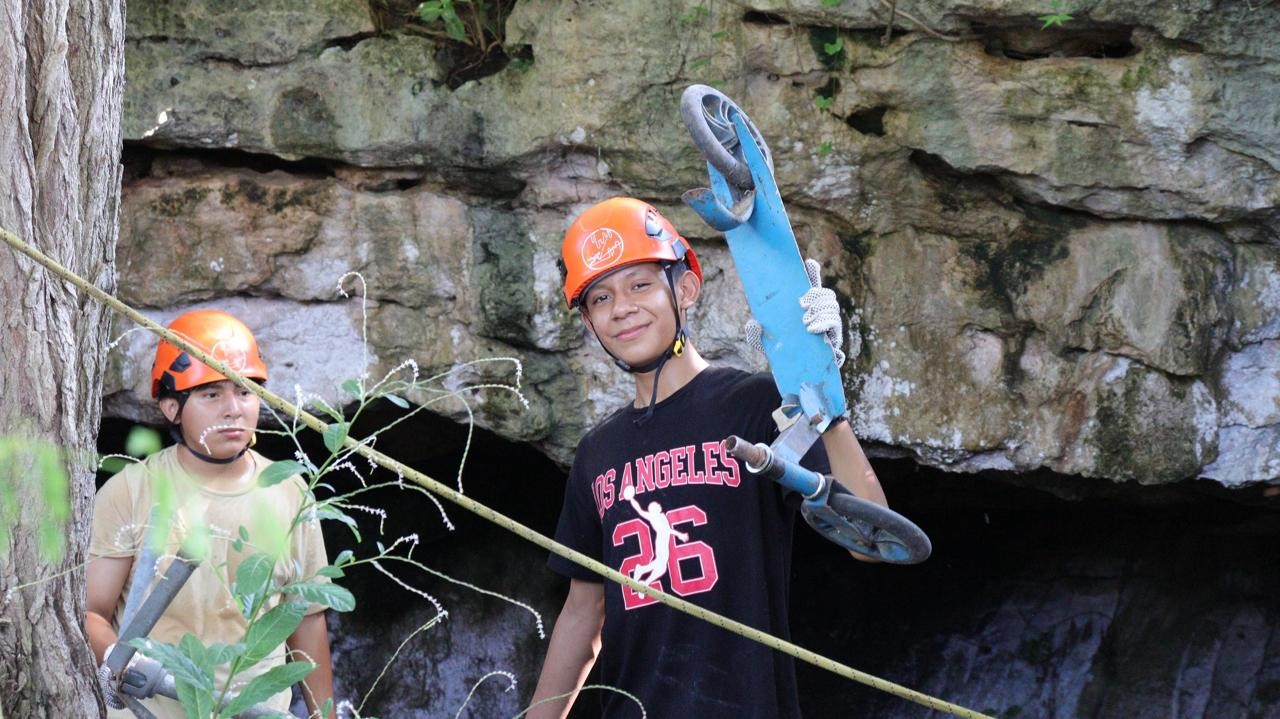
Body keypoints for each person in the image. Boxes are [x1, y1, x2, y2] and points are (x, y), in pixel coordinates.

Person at [528, 197, 889, 718]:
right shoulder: (596, 455)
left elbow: (870, 543)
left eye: (640, 284)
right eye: (600, 297)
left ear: (687, 288)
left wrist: (824, 399)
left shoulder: (756, 406)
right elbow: (584, 613)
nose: (622, 307)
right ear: (588, 323)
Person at [86, 309, 335, 718]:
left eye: (244, 391)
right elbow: (92, 610)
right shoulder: (132, 491)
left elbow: (306, 619)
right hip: (153, 708)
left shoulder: (289, 493)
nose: (233, 409)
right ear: (171, 407)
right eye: (211, 394)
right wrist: (118, 659)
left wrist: (325, 716)